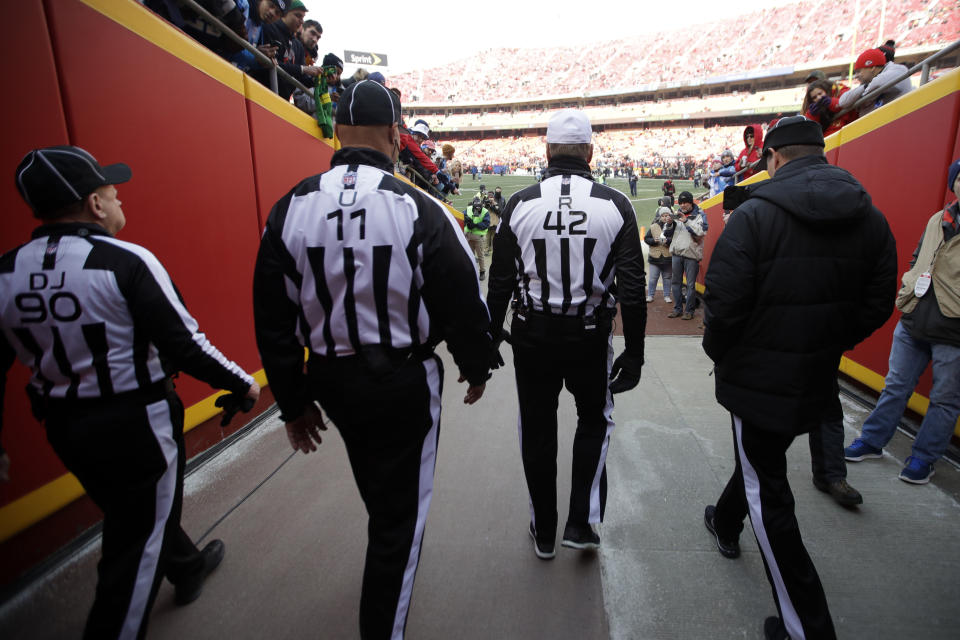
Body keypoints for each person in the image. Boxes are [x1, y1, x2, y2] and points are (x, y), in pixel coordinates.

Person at [252, 80, 492, 640]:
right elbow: (461, 292)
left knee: (380, 492)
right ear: (394, 134)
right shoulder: (416, 204)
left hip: (331, 378)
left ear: (336, 132)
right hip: (403, 378)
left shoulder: (290, 207)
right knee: (398, 524)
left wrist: (292, 401)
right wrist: (475, 363)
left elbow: (271, 316)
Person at [0, 146, 260, 638]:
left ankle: (185, 566)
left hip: (63, 426)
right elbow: (184, 344)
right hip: (137, 422)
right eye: (113, 194)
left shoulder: (5, 271)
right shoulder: (127, 260)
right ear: (95, 205)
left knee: (132, 513)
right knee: (132, 554)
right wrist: (242, 383)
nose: (120, 203)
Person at [701, 116, 897, 640]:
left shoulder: (756, 215)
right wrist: (827, 343)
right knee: (762, 462)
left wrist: (724, 354)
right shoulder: (870, 216)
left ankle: (807, 627)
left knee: (769, 492)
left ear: (774, 158)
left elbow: (723, 305)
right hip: (814, 374)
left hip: (757, 377)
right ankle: (724, 518)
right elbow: (880, 301)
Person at [486, 109, 647, 559]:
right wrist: (634, 352)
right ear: (591, 153)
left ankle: (544, 527)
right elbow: (633, 290)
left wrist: (488, 333)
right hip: (589, 335)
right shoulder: (615, 204)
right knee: (595, 420)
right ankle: (581, 520)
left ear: (547, 150)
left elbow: (499, 281)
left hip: (532, 334)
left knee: (536, 428)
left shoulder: (519, 203)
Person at [845, 158, 960, 484]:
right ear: (954, 183)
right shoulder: (939, 218)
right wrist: (910, 282)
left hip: (954, 329)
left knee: (945, 400)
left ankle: (924, 458)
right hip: (914, 319)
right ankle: (872, 441)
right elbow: (918, 256)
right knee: (895, 386)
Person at [838, 48, 912, 118]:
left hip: (898, 120)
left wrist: (862, 95)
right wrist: (865, 88)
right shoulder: (865, 84)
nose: (856, 76)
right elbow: (843, 101)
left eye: (859, 71)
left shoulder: (898, 70)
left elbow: (878, 83)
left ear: (872, 68)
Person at [668, 191, 706, 320]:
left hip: (691, 254)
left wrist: (686, 221)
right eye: (681, 202)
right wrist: (669, 223)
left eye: (685, 202)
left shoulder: (700, 214)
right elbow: (668, 233)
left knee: (690, 285)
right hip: (677, 253)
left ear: (691, 202)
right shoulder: (677, 214)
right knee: (676, 283)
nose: (682, 205)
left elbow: (701, 232)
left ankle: (689, 311)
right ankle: (677, 309)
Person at [644, 207, 674, 304]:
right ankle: (650, 295)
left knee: (667, 278)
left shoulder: (673, 226)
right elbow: (646, 239)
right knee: (653, 278)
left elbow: (675, 240)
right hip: (654, 258)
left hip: (668, 257)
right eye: (663, 216)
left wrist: (667, 241)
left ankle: (667, 295)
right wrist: (653, 241)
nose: (665, 217)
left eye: (667, 215)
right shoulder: (653, 226)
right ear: (660, 217)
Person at [462, 198, 490, 279]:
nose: (478, 209)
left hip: (479, 237)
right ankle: (471, 271)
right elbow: (462, 216)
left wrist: (475, 225)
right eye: (476, 207)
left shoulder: (485, 212)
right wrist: (466, 219)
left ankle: (482, 272)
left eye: (479, 207)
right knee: (470, 255)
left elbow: (486, 224)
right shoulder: (468, 209)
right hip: (468, 236)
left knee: (480, 256)